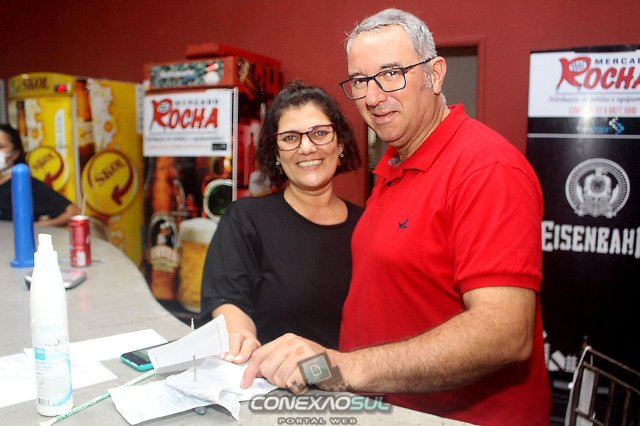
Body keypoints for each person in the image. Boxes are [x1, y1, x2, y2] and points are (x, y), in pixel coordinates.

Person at [239, 9, 551, 426]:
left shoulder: (486, 168)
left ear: (435, 75)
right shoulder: (394, 163)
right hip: (386, 410)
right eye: (360, 81)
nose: (372, 97)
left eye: (391, 74)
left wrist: (342, 366)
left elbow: (505, 333)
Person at [200, 82, 362, 364]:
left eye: (320, 133)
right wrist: (240, 336)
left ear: (340, 144)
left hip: (352, 382)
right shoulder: (246, 219)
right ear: (276, 154)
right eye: (290, 138)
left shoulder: (368, 225)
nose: (306, 147)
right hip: (271, 381)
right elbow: (227, 300)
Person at [0, 124, 80, 226]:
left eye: (1, 146)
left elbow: (73, 212)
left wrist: (35, 228)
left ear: (15, 154)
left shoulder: (24, 184)